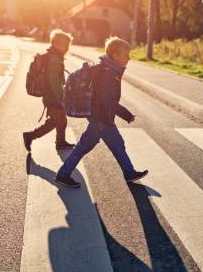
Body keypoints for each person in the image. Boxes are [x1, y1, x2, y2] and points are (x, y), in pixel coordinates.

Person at [55, 36, 148, 188]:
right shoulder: (109, 73)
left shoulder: (109, 69)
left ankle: (129, 172)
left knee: (111, 144)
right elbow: (107, 100)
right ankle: (63, 175)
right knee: (105, 145)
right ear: (115, 56)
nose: (129, 58)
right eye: (126, 55)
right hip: (101, 118)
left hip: (100, 117)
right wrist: (126, 114)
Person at [23, 29, 75, 151]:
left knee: (62, 120)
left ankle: (60, 141)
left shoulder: (55, 56)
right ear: (56, 44)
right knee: (54, 121)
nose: (67, 48)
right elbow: (53, 81)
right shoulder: (55, 59)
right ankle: (30, 136)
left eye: (68, 45)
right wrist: (60, 99)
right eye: (65, 45)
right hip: (53, 96)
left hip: (54, 95)